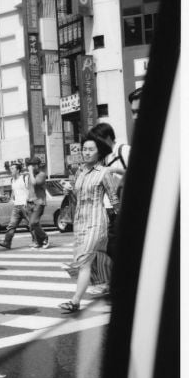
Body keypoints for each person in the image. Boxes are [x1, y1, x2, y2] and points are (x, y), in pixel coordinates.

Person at [58, 133, 120, 313]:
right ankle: (118, 284)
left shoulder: (104, 173)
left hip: (96, 221)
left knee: (84, 261)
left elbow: (114, 199)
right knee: (89, 261)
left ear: (99, 152)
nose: (86, 152)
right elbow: (76, 200)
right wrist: (69, 190)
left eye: (90, 149)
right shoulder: (79, 172)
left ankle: (75, 301)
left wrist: (123, 218)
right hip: (80, 223)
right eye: (84, 149)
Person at [89, 122, 130, 259]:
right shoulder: (106, 157)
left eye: (96, 141)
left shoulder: (124, 150)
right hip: (109, 208)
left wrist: (114, 170)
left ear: (106, 137)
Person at [0, 161, 33, 250]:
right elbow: (14, 191)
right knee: (11, 225)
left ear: (18, 170)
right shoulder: (12, 180)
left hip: (25, 205)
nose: (11, 170)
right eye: (10, 169)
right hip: (16, 206)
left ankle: (37, 240)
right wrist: (11, 200)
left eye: (13, 168)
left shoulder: (25, 178)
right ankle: (7, 242)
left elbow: (30, 189)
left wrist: (27, 201)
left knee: (31, 224)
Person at [25, 156, 51, 249]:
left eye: (33, 165)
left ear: (38, 165)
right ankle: (38, 242)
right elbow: (30, 189)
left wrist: (31, 172)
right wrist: (27, 200)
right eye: (30, 165)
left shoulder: (42, 174)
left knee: (33, 222)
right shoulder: (29, 176)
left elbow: (35, 183)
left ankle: (45, 237)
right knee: (32, 225)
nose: (31, 167)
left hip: (39, 202)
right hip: (30, 202)